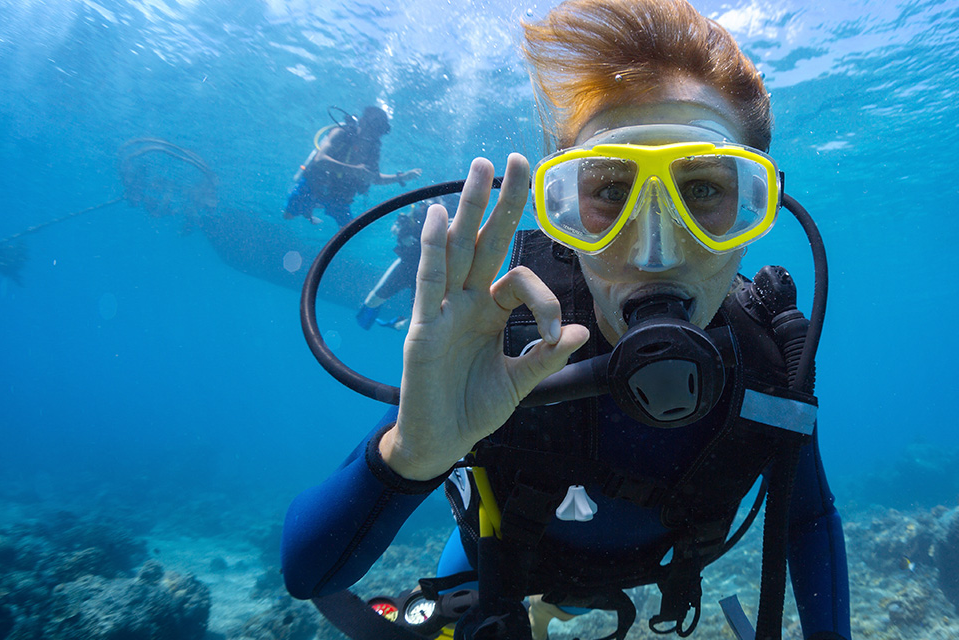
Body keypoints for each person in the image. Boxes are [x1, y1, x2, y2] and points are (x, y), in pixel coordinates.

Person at [281, 2, 851, 640]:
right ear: (564, 214)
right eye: (610, 191)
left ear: (758, 206)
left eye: (704, 191)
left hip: (644, 575)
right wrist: (411, 455)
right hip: (498, 571)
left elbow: (807, 520)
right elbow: (307, 574)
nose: (654, 251)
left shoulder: (770, 364)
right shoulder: (506, 336)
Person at [283, 106, 423, 226]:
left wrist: (401, 177)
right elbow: (319, 160)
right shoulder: (342, 133)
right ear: (362, 121)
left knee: (348, 232)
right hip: (314, 187)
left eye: (380, 130)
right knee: (287, 216)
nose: (374, 133)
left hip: (340, 198)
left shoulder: (373, 150)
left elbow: (374, 178)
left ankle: (312, 209)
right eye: (373, 125)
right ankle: (309, 211)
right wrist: (354, 170)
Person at [356, 196, 458, 330]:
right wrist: (401, 232)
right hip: (406, 265)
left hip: (431, 274)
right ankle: (368, 320)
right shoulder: (420, 210)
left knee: (417, 321)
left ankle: (395, 324)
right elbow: (397, 227)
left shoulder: (458, 224)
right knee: (371, 302)